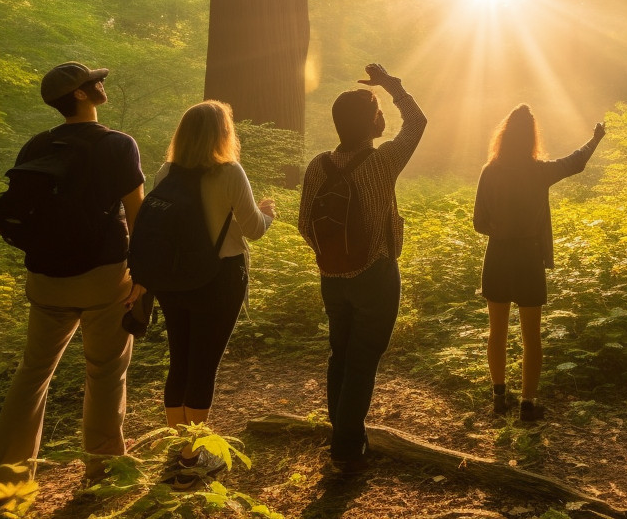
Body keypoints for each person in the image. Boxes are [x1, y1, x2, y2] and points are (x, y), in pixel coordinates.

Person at [0, 62, 146, 493]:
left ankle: (9, 481)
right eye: (94, 82)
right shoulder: (118, 145)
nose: (100, 84)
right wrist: (143, 275)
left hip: (44, 278)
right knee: (105, 372)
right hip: (104, 278)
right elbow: (138, 215)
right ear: (81, 95)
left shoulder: (37, 144)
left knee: (33, 372)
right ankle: (103, 469)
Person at [297, 63, 426, 472]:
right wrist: (391, 85)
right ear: (371, 124)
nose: (383, 116)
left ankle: (343, 435)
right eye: (377, 112)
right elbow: (417, 121)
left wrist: (331, 257)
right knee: (363, 359)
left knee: (341, 354)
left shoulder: (318, 165)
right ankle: (347, 449)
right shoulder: (384, 161)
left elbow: (304, 224)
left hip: (331, 277)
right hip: (376, 273)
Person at [149, 100, 276, 488]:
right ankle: (190, 460)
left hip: (173, 280)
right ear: (222, 134)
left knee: (181, 360)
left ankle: (179, 448)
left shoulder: (166, 171)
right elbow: (253, 229)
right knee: (204, 365)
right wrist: (268, 211)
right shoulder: (230, 172)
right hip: (220, 277)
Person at [473, 106, 604, 421]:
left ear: (503, 136)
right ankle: (528, 404)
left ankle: (499, 397)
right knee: (532, 336)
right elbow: (576, 161)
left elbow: (478, 222)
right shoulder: (539, 171)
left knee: (497, 331)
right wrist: (595, 138)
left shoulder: (490, 171)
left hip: (498, 256)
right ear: (531, 137)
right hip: (529, 257)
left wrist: (501, 231)